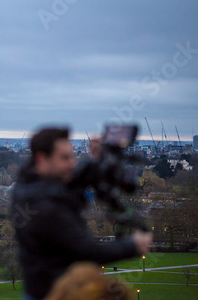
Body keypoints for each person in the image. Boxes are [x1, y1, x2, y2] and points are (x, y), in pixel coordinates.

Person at [11, 127, 152, 300]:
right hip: (55, 294)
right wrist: (133, 245)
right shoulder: (46, 206)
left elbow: (71, 186)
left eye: (73, 156)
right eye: (65, 158)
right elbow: (88, 252)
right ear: (42, 159)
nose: (72, 163)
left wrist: (95, 160)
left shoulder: (28, 184)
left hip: (39, 291)